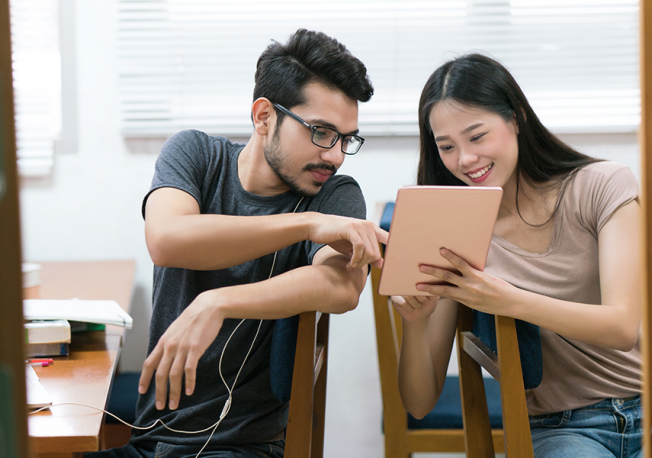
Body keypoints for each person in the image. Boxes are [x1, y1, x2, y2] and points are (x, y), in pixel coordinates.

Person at [86, 29, 388, 458]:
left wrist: (219, 302)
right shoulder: (195, 155)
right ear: (264, 117)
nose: (335, 155)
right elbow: (168, 240)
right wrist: (307, 224)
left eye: (346, 138)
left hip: (242, 447)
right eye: (321, 132)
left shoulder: (336, 194)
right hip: (150, 440)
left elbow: (342, 286)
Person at [394, 53, 643, 458]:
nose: (465, 160)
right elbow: (419, 404)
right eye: (446, 146)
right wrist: (417, 327)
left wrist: (508, 301)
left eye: (476, 136)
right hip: (563, 429)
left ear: (517, 119)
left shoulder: (603, 185)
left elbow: (621, 327)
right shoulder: (452, 233)